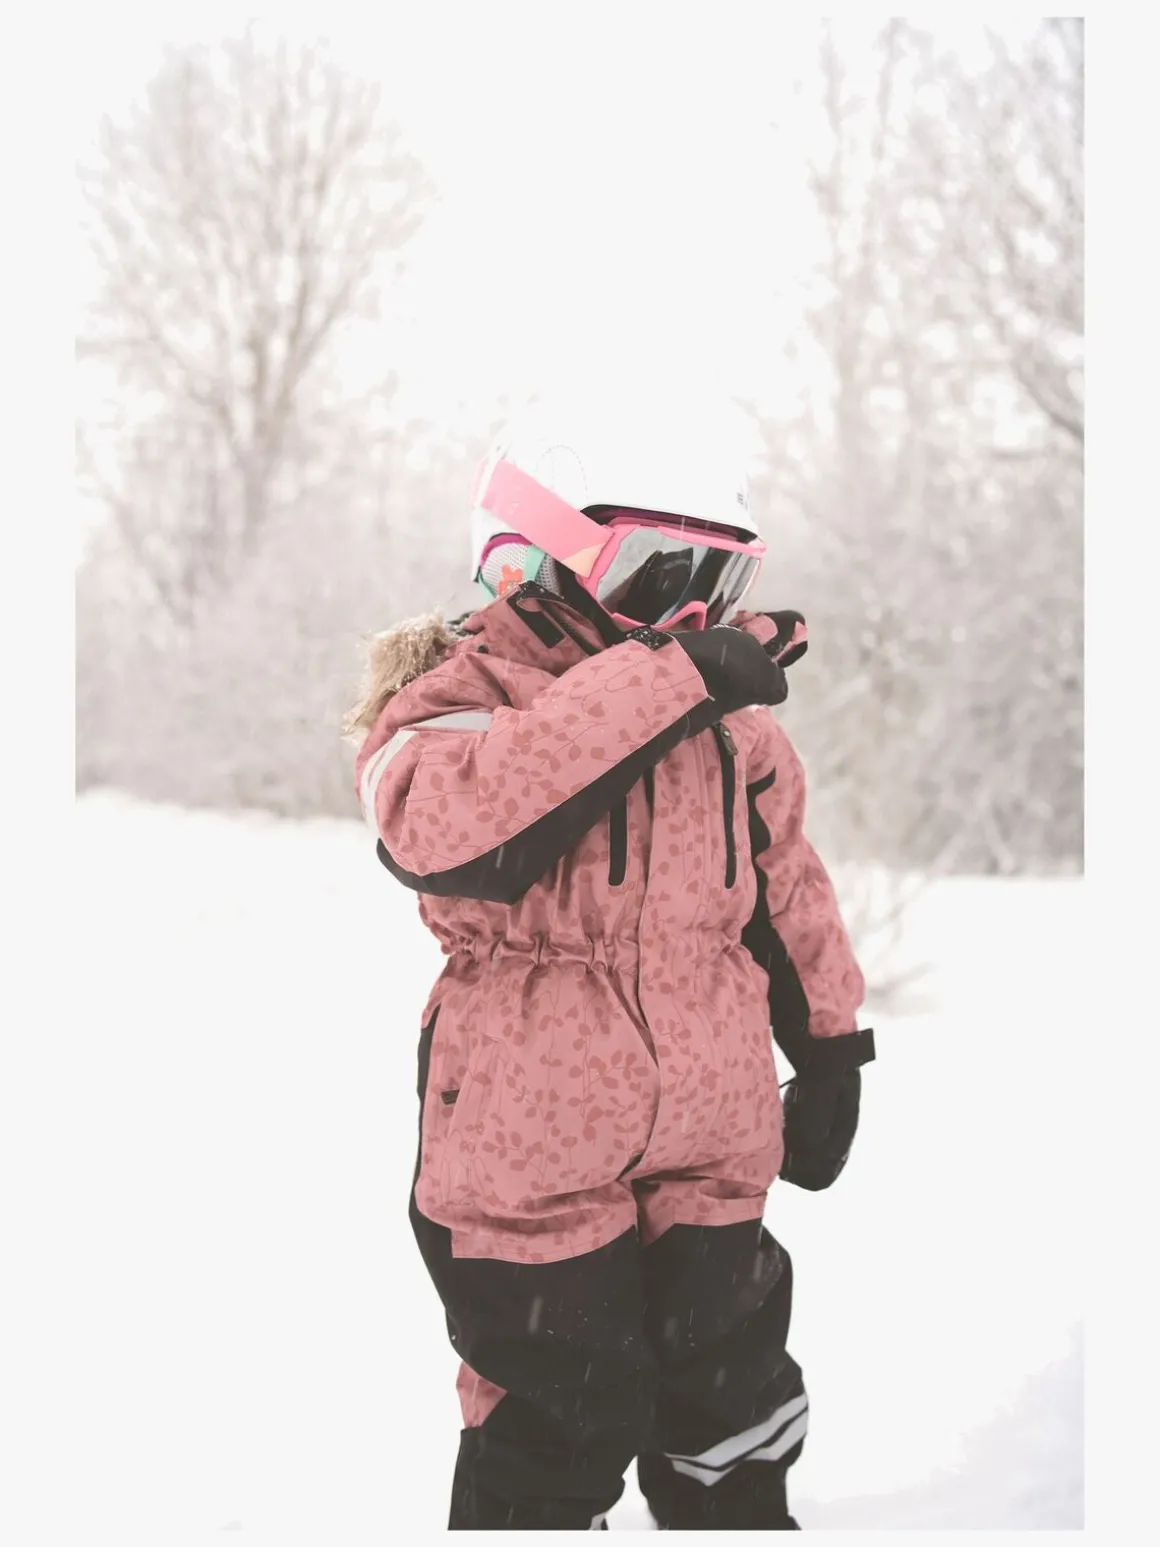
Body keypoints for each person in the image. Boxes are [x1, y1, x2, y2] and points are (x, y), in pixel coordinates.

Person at [346, 391, 874, 1531]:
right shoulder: (457, 699)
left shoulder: (732, 730)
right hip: (529, 1148)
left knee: (731, 1399)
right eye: (652, 573)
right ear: (526, 562)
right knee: (557, 1417)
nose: (683, 614)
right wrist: (670, 678)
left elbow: (786, 892)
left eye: (714, 580)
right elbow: (453, 832)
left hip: (710, 1126)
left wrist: (832, 1045)